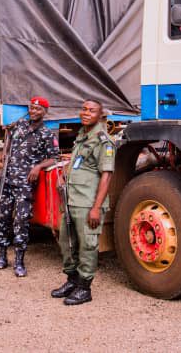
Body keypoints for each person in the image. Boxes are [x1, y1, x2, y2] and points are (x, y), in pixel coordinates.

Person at [50, 99, 114, 306]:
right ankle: (72, 280)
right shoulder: (82, 136)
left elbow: (107, 176)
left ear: (100, 114)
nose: (86, 113)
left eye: (91, 110)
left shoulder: (103, 140)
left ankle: (84, 288)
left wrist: (96, 208)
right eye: (84, 109)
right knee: (67, 242)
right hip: (72, 201)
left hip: (88, 204)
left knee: (88, 245)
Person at [0, 96, 58, 277]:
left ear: (45, 111)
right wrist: (4, 155)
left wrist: (38, 167)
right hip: (7, 180)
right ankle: (2, 256)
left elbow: (54, 158)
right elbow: (8, 141)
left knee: (21, 221)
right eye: (31, 108)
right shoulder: (20, 125)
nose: (34, 111)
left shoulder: (46, 134)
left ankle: (19, 261)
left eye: (38, 109)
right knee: (2, 217)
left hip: (25, 184)